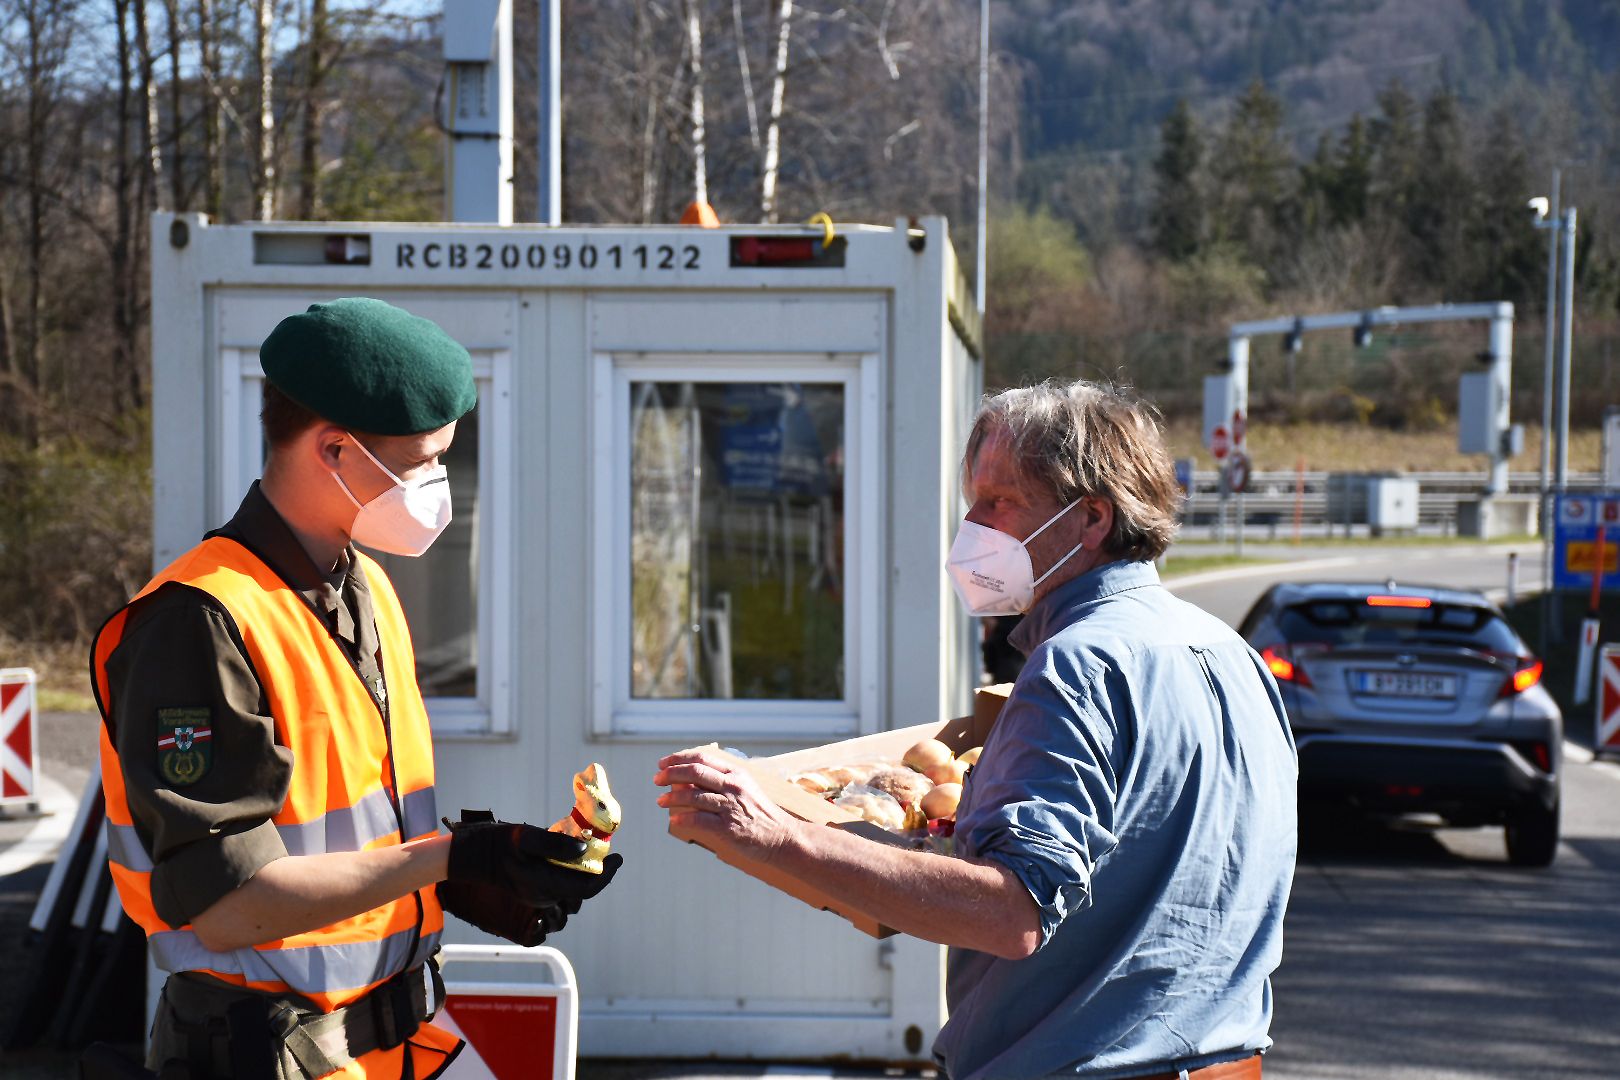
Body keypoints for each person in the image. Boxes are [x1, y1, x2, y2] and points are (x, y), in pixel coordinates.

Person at [656, 379, 1296, 1080]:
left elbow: (1010, 913)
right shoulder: (1232, 652)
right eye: (973, 501)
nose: (973, 526)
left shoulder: (1076, 665)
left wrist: (780, 834)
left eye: (1000, 501)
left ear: (1091, 519)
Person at [91, 298, 620, 1080]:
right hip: (267, 1055)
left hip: (392, 1042)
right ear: (334, 448)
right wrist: (454, 857)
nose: (437, 484)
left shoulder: (363, 584)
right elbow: (231, 907)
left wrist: (483, 876)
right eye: (421, 462)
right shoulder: (196, 621)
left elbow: (352, 835)